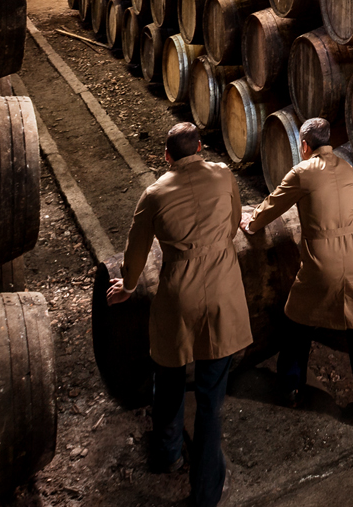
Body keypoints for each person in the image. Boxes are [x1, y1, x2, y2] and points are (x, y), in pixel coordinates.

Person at [107, 122, 252, 506]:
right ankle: (205, 493)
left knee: (168, 375)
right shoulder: (222, 176)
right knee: (209, 400)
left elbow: (135, 251)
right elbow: (237, 218)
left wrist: (129, 285)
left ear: (166, 155)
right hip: (222, 292)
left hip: (178, 296)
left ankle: (168, 454)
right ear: (201, 148)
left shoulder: (154, 195)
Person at [240, 117, 353, 429]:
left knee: (296, 322)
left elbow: (273, 205)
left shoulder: (302, 173)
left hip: (323, 262)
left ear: (304, 145)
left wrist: (250, 223)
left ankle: (291, 388)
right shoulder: (348, 168)